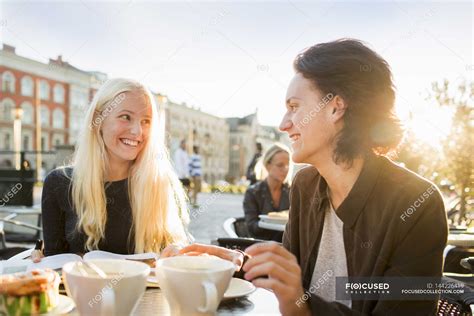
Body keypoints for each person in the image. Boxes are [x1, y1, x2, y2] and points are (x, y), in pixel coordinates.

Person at [179, 39, 448, 315]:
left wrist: (305, 308)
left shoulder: (417, 203)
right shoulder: (306, 185)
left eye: (294, 106)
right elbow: (288, 276)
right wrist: (219, 264)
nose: (284, 124)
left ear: (336, 107)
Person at [34, 78, 190, 261]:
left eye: (146, 121)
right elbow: (54, 262)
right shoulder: (59, 183)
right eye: (126, 117)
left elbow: (177, 249)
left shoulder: (162, 184)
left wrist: (178, 249)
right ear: (98, 120)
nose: (137, 131)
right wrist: (41, 257)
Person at [243, 143, 290, 241]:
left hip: (287, 246)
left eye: (287, 165)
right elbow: (252, 227)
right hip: (261, 245)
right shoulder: (253, 192)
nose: (285, 169)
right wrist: (273, 222)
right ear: (267, 165)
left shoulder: (292, 191)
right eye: (280, 165)